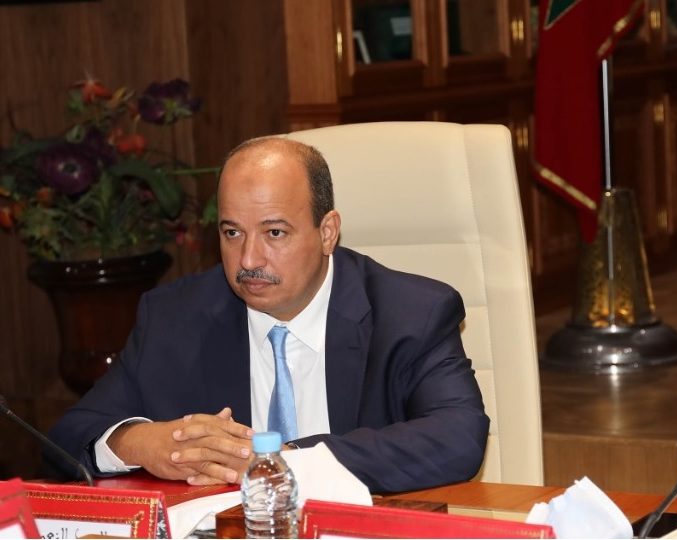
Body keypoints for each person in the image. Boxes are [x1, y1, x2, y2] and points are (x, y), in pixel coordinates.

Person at [46, 137, 489, 493]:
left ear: (327, 232)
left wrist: (280, 462)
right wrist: (140, 443)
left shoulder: (412, 314)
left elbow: (458, 436)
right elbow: (67, 437)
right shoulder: (174, 317)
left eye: (274, 232)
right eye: (232, 233)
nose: (248, 259)